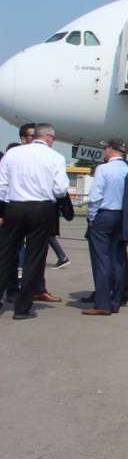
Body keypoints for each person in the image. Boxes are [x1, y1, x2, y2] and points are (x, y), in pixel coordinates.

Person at [0, 123, 70, 320]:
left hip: (14, 206)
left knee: (4, 255)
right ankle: (23, 308)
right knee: (33, 258)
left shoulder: (12, 154)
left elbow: (2, 185)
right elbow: (60, 189)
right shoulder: (55, 157)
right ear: (48, 137)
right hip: (41, 207)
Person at [83, 138, 128, 315]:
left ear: (109, 149)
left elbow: (95, 196)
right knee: (117, 258)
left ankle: (102, 303)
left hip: (105, 215)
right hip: (123, 217)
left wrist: (91, 217)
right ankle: (116, 299)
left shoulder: (103, 169)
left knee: (101, 259)